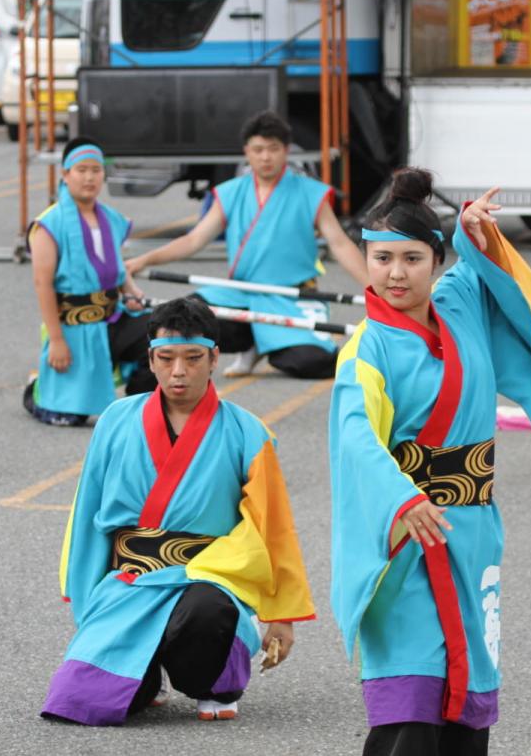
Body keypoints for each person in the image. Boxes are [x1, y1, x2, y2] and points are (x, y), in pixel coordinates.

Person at [328, 169, 531, 755]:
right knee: (412, 709)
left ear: (435, 262)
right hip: (407, 540)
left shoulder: (459, 302)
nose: (395, 274)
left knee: (466, 713)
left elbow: (489, 274)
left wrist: (476, 231)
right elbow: (356, 437)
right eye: (382, 259)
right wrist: (403, 497)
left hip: (472, 533)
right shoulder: (366, 349)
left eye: (412, 258)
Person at [41, 297, 315, 726]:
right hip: (130, 582)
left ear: (215, 358)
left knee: (208, 613)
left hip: (207, 578)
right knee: (76, 702)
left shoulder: (247, 431)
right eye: (166, 358)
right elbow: (89, 510)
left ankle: (215, 685)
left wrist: (282, 616)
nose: (179, 371)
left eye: (193, 358)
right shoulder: (117, 419)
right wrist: (85, 596)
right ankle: (148, 679)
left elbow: (273, 526)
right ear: (150, 359)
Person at [125, 110, 369, 380]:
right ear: (247, 152)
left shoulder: (310, 192)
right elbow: (194, 240)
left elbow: (339, 243)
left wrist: (373, 286)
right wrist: (143, 260)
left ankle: (272, 345)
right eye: (258, 149)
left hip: (290, 297)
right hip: (242, 294)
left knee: (310, 363)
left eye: (273, 149)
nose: (265, 157)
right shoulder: (231, 191)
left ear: (286, 151)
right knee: (188, 318)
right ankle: (252, 343)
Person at [23, 137, 156, 426]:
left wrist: (130, 289)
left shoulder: (110, 218)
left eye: (95, 170)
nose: (89, 177)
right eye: (81, 170)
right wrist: (57, 341)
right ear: (65, 175)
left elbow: (113, 264)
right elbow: (42, 285)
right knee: (68, 416)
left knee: (158, 338)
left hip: (112, 317)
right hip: (73, 327)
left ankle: (138, 404)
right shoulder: (49, 224)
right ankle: (36, 388)